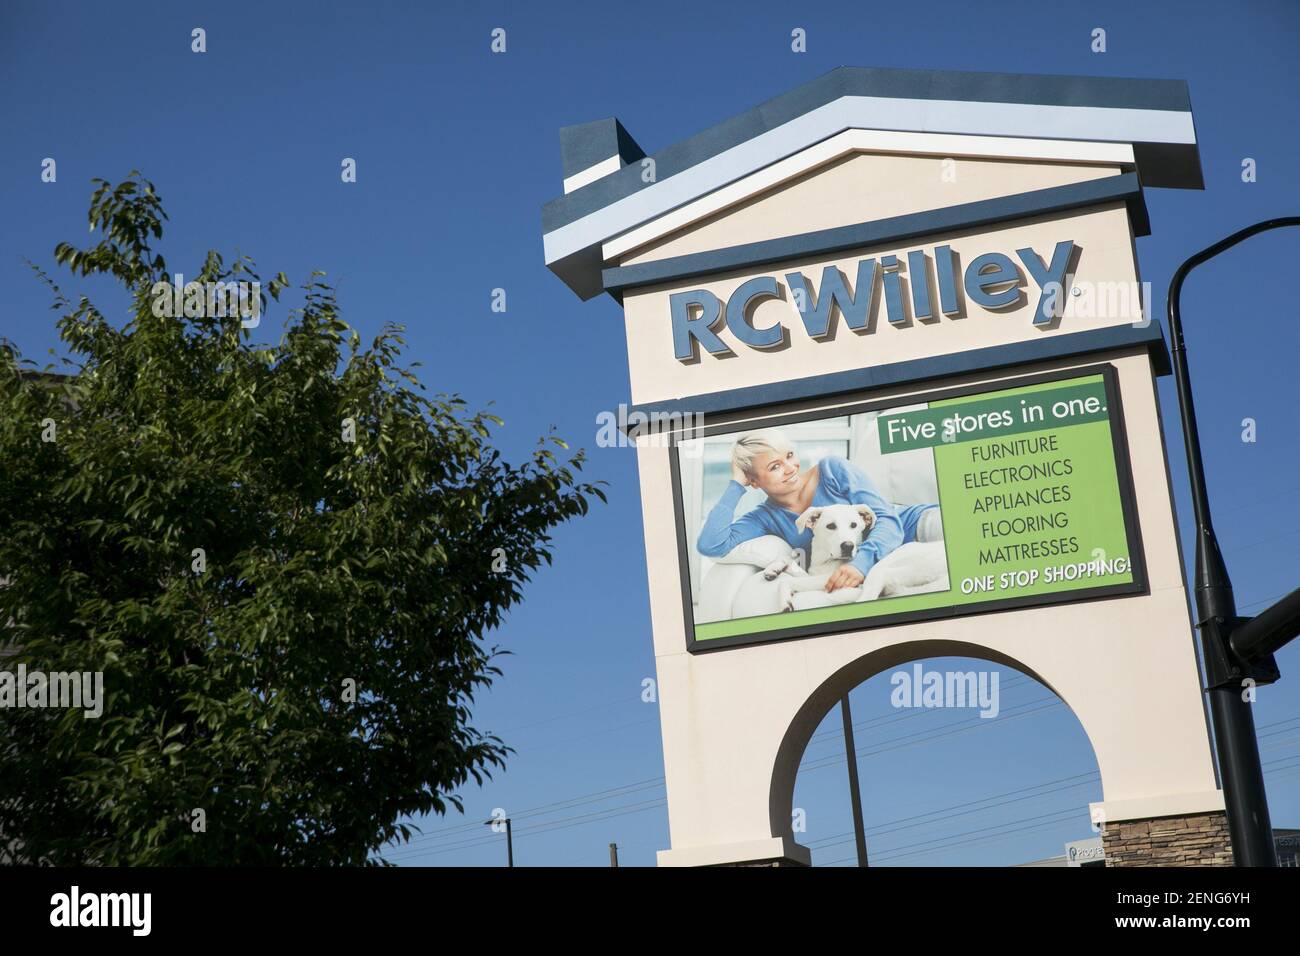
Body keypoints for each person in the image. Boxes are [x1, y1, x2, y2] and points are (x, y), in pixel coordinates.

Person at [697, 429, 936, 592]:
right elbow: (711, 544)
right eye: (775, 466)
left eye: (790, 455)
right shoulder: (764, 518)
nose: (790, 468)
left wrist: (860, 564)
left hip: (916, 526)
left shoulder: (832, 470)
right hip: (895, 564)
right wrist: (737, 484)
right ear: (754, 480)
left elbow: (887, 519)